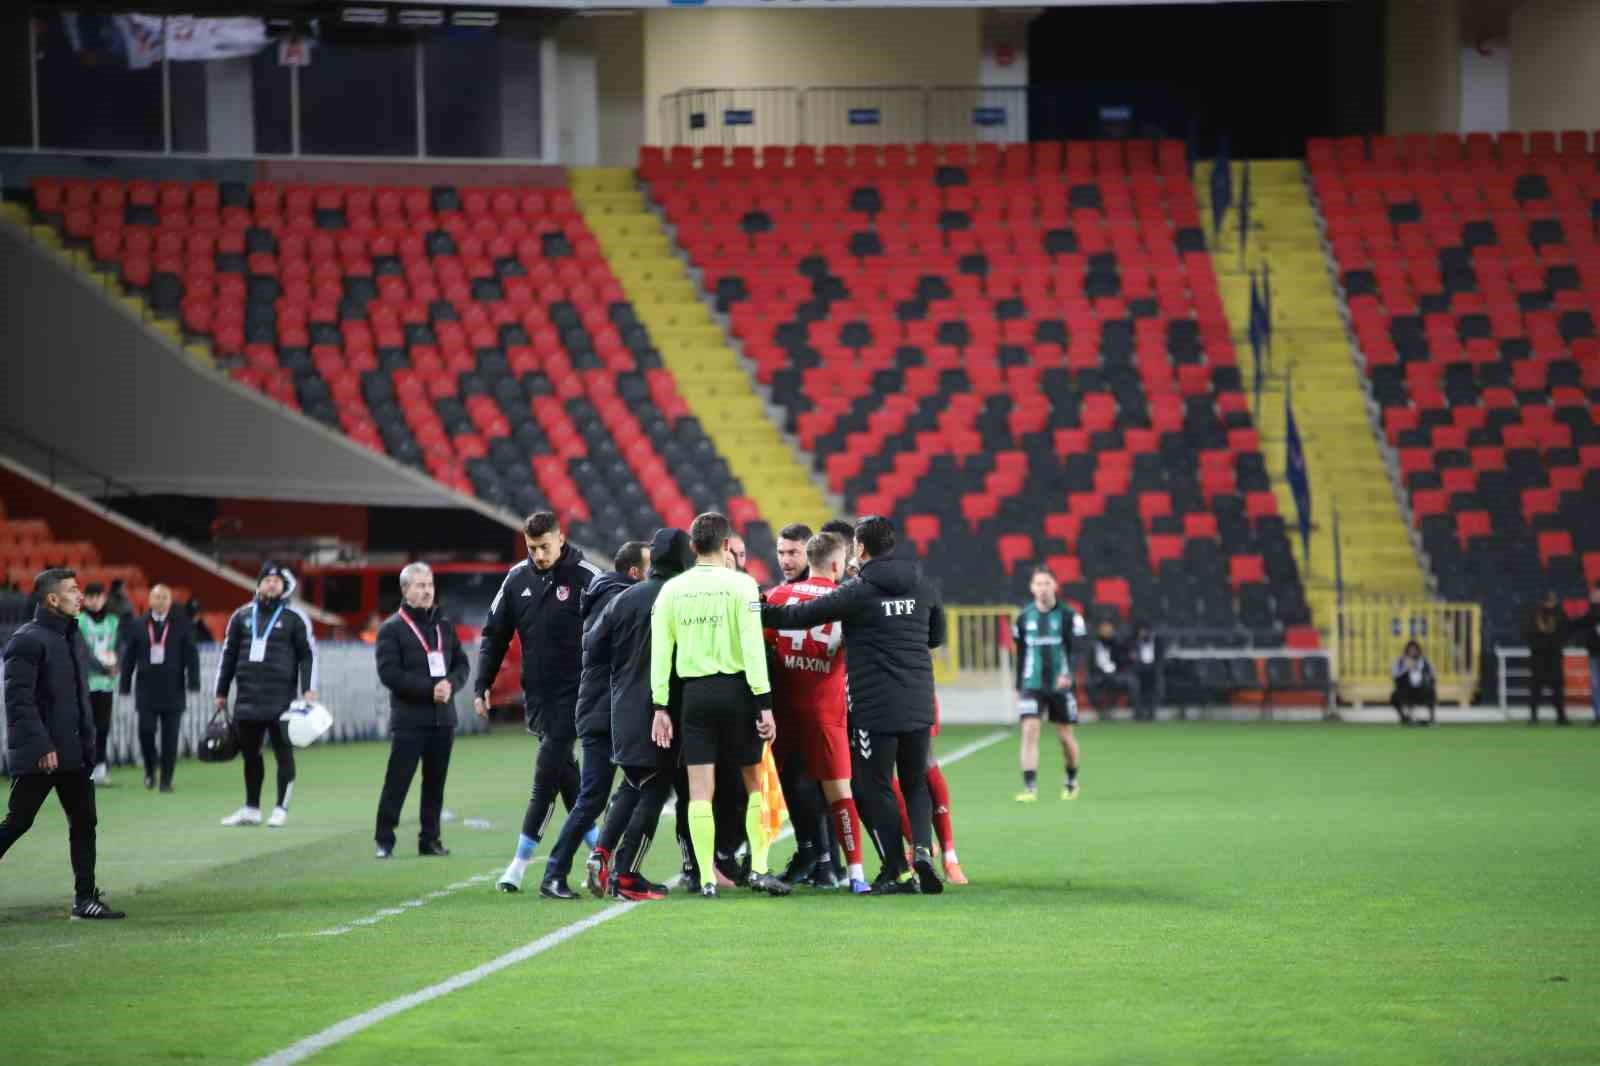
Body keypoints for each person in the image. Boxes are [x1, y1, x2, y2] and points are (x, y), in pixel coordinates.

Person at [761, 515, 946, 895]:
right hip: (918, 700)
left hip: (874, 706)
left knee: (869, 786)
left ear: (860, 549)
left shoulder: (859, 591)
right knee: (914, 782)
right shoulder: (924, 585)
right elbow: (936, 636)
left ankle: (897, 869)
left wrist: (756, 609)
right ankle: (923, 852)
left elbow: (798, 616)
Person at [652, 512, 789, 898]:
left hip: (694, 697)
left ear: (693, 547)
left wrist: (660, 704)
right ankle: (759, 868)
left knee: (699, 792)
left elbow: (661, 654)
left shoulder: (672, 591)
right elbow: (752, 647)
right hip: (738, 693)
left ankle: (706, 879)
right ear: (727, 545)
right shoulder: (742, 586)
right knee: (753, 783)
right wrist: (764, 704)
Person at [475, 512, 602, 893]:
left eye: (545, 546)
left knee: (545, 774)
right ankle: (602, 851)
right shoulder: (516, 579)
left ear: (560, 538)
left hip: (577, 693)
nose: (539, 555)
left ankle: (519, 864)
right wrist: (483, 682)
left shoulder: (588, 577)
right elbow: (494, 634)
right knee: (565, 775)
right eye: (532, 548)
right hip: (539, 696)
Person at [0, 568, 125, 919]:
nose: (80, 595)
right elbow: (19, 702)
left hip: (74, 752)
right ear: (53, 599)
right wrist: (42, 746)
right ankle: (84, 898)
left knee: (84, 823)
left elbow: (77, 698)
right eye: (73, 590)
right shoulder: (27, 640)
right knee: (18, 822)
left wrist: (88, 744)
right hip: (42, 754)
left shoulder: (73, 636)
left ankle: (84, 899)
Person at [587, 528, 695, 901]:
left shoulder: (623, 598)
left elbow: (592, 646)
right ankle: (626, 874)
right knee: (656, 788)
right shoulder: (681, 598)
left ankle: (601, 853)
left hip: (622, 709)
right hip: (661, 710)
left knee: (631, 785)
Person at [540, 540, 648, 899]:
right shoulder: (617, 599)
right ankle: (555, 873)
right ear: (635, 572)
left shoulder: (607, 593)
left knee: (621, 789)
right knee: (594, 797)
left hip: (605, 708)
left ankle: (605, 866)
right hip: (604, 711)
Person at [765, 532, 871, 893]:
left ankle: (762, 864)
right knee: (840, 792)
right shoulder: (849, 602)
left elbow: (761, 647)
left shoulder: (778, 596)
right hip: (826, 712)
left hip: (781, 713)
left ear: (809, 560)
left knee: (775, 787)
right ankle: (855, 874)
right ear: (839, 565)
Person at [373, 562, 470, 859]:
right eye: (420, 585)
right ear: (405, 590)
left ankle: (430, 839)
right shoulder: (391, 629)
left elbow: (462, 665)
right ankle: (384, 840)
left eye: (429, 585)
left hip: (443, 719)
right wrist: (430, 689)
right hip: (409, 719)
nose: (427, 590)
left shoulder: (443, 625)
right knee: (398, 781)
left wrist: (450, 685)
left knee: (435, 782)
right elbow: (389, 674)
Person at [214, 562, 318, 828]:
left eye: (276, 580)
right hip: (247, 698)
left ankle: (281, 808)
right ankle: (251, 808)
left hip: (281, 699)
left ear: (285, 586)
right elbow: (228, 654)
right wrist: (221, 690)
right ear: (258, 584)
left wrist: (308, 688)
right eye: (266, 579)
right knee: (250, 754)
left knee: (283, 753)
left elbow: (308, 656)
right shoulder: (241, 616)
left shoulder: (296, 618)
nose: (271, 584)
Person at [1012, 566, 1087, 803]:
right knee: (1029, 729)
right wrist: (1018, 686)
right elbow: (1022, 654)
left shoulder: (1069, 616)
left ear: (1055, 586)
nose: (1043, 588)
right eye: (1038, 584)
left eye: (1047, 583)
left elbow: (1077, 651)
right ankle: (1030, 787)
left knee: (1065, 736)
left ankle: (1072, 781)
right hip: (1031, 684)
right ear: (1032, 588)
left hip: (1060, 685)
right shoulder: (1024, 618)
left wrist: (1070, 675)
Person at [118, 583, 200, 791]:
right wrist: (125, 684)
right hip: (146, 689)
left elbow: (192, 655)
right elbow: (128, 658)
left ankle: (166, 780)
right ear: (149, 600)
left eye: (165, 597)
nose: (161, 601)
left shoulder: (182, 624)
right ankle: (149, 768)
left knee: (170, 738)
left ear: (170, 602)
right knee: (146, 731)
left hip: (174, 689)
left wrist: (194, 682)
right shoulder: (138, 625)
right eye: (157, 597)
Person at [78, 582, 121, 785]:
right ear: (85, 599)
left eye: (98, 596)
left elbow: (118, 647)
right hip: (86, 682)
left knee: (103, 726)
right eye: (91, 597)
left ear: (103, 598)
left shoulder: (113, 621)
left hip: (106, 683)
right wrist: (103, 668)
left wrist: (116, 664)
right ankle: (87, 766)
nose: (94, 601)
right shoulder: (80, 621)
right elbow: (83, 652)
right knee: (87, 726)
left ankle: (101, 766)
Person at [1523, 591, 1570, 726]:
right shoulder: (1533, 614)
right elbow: (1528, 633)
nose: (1551, 603)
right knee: (1535, 689)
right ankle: (1533, 717)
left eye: (1553, 601)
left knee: (1557, 689)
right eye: (1548, 601)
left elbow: (1565, 633)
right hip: (1538, 658)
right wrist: (1542, 644)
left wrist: (1554, 644)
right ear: (1543, 602)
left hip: (1554, 657)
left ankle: (1561, 717)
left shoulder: (1560, 614)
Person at [1086, 620, 1139, 715]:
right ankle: (1101, 710)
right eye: (1104, 630)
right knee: (1090, 683)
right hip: (1098, 673)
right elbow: (1090, 664)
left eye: (1108, 630)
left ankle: (1137, 712)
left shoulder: (1118, 644)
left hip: (1116, 673)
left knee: (1130, 681)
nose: (1106, 632)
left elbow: (1123, 661)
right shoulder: (1093, 645)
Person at [1389, 640, 1437, 727]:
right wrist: (1405, 668)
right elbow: (1395, 675)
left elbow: (1433, 675)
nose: (1412, 652)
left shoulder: (1425, 661)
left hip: (1422, 689)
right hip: (1406, 690)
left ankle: (1432, 718)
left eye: (1414, 650)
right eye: (1410, 650)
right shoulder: (1400, 661)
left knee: (1431, 692)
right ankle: (1404, 718)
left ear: (1418, 650)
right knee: (1394, 696)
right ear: (1406, 651)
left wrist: (1419, 668)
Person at [1572, 584, 1600, 726]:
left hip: (1595, 654)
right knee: (1596, 685)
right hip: (1595, 654)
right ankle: (1598, 715)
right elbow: (1579, 625)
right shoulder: (1591, 613)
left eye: (1595, 593)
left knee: (1596, 685)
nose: (1593, 595)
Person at [1131, 622, 1164, 722]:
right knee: (1134, 684)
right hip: (1139, 671)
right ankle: (1138, 714)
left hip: (1153, 670)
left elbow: (1160, 659)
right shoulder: (1134, 642)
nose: (1144, 633)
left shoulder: (1157, 641)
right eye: (1142, 631)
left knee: (1158, 683)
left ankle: (1151, 713)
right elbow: (1130, 658)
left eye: (1145, 631)